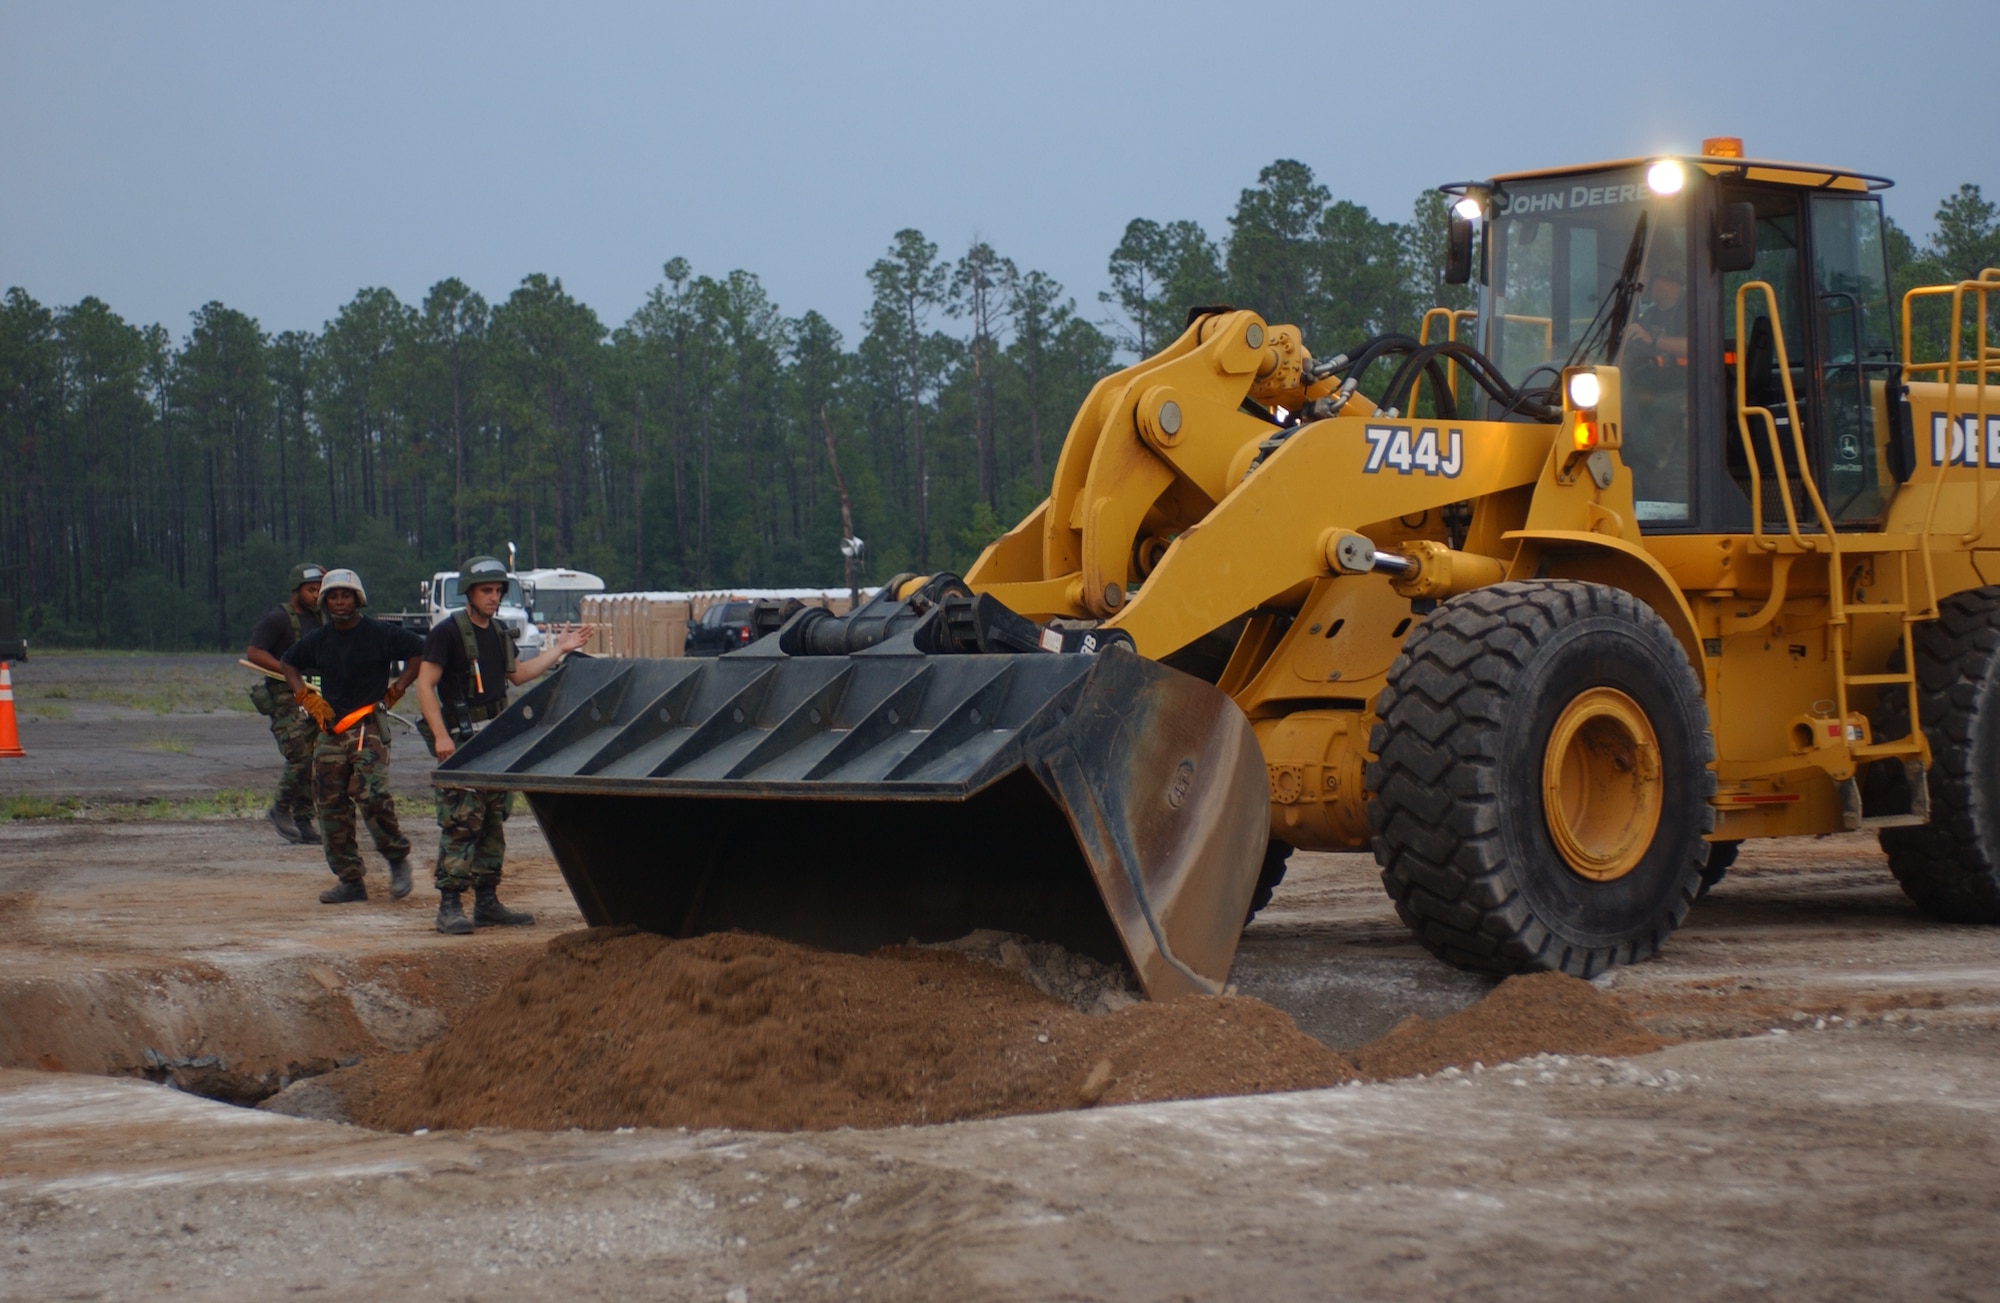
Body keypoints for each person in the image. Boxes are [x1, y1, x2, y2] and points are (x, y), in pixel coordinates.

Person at [414, 554, 590, 935]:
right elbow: (425, 686)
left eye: (497, 590)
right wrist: (441, 735)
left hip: (495, 739)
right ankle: (449, 905)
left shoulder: (498, 633)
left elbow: (517, 675)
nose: (493, 597)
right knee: (462, 822)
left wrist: (559, 649)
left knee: (493, 820)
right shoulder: (447, 633)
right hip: (463, 740)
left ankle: (487, 901)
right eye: (486, 590)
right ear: (469, 593)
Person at [280, 568, 425, 905]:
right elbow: (289, 664)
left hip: (368, 727)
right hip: (331, 730)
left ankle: (397, 859)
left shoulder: (380, 634)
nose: (340, 601)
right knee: (330, 804)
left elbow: (419, 650)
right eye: (333, 596)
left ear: (357, 599)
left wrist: (398, 689)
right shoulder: (319, 639)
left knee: (371, 794)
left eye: (346, 595)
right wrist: (305, 696)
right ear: (324, 602)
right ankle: (350, 880)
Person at [245, 563, 325, 844]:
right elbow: (254, 652)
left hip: (315, 697)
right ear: (296, 591)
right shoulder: (278, 619)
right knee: (299, 754)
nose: (316, 595)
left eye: (319, 589)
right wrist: (286, 669)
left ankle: (304, 819)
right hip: (285, 700)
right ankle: (280, 808)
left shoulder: (322, 619)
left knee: (314, 758)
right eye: (311, 589)